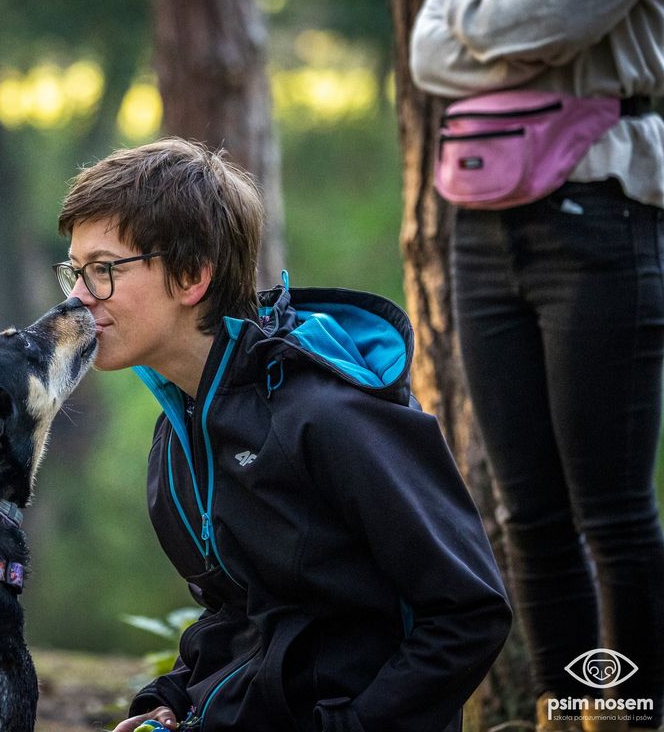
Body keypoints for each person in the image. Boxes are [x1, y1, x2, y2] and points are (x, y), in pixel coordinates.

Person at [53, 138, 511, 732]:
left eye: (104, 270)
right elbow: (239, 610)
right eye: (75, 270)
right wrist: (170, 702)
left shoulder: (330, 416)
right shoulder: (178, 432)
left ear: (192, 276)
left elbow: (470, 613)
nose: (77, 298)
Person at [411, 0, 664, 730]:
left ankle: (627, 713)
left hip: (604, 211)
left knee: (613, 512)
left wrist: (475, 15)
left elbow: (561, 20)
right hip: (482, 227)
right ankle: (567, 712)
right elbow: (428, 56)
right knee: (529, 512)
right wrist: (525, 28)